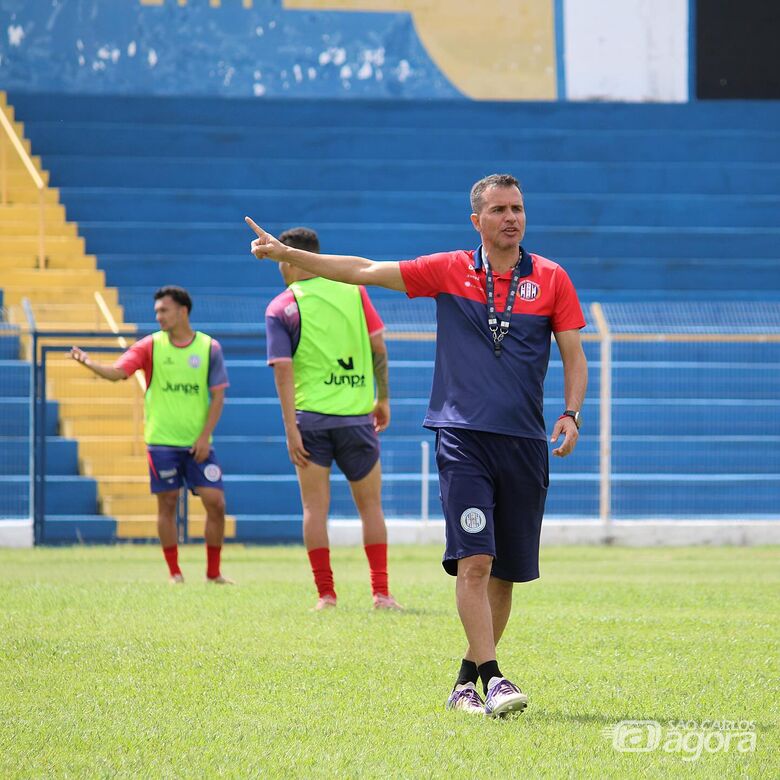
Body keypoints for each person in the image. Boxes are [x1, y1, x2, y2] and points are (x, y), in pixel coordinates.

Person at [246, 173, 588, 717]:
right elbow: (361, 270)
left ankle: (465, 684)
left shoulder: (551, 278)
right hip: (462, 438)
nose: (511, 218)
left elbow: (574, 353)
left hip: (525, 441)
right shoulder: (449, 269)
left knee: (506, 572)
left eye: (517, 208)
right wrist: (290, 255)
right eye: (498, 209)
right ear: (476, 220)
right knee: (475, 560)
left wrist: (571, 413)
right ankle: (495, 677)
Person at [265, 226, 402, 611]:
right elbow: (378, 345)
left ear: (289, 259)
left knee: (313, 509)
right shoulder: (354, 291)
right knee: (371, 507)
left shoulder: (281, 307)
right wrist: (383, 398)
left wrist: (290, 427)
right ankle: (381, 593)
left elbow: (282, 370)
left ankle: (326, 595)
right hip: (357, 417)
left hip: (310, 420)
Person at [70, 285, 233, 585]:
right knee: (167, 503)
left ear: (183, 311)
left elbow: (218, 397)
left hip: (199, 443)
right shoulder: (150, 346)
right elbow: (119, 373)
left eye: (164, 310)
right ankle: (174, 573)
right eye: (156, 311)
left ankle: (213, 573)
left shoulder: (210, 348)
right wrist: (90, 363)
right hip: (161, 442)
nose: (158, 316)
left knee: (216, 503)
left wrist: (203, 437)